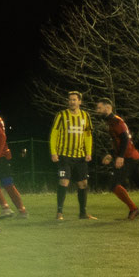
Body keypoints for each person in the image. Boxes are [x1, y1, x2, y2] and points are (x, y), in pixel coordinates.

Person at [49, 90, 96, 222]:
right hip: (64, 155)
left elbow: (88, 135)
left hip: (80, 156)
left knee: (82, 184)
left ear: (80, 101)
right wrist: (53, 152)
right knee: (64, 181)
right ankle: (59, 212)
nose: (72, 102)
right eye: (70, 100)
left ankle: (83, 213)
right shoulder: (61, 115)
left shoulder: (86, 116)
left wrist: (88, 152)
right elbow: (54, 134)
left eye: (74, 99)